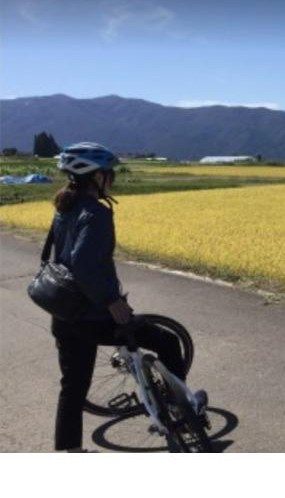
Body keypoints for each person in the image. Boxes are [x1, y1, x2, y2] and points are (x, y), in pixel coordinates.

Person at [49, 142, 187, 452]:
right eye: (109, 173)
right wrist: (112, 300)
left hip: (64, 314)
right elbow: (84, 264)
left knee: (72, 388)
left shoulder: (64, 209)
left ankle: (68, 452)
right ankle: (178, 410)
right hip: (93, 316)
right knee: (167, 342)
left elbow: (65, 260)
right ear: (97, 177)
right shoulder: (96, 213)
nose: (113, 178)